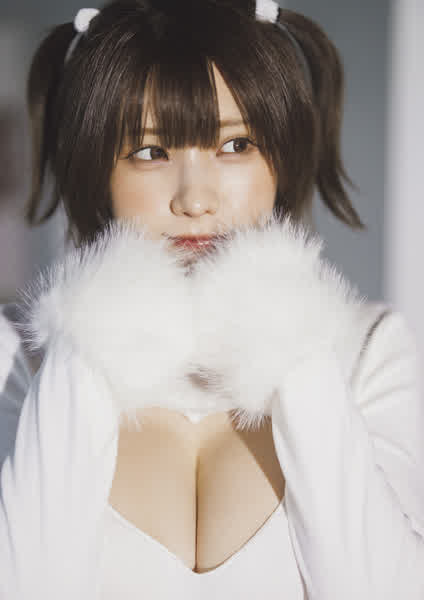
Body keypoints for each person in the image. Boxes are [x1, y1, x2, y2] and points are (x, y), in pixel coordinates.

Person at [0, 0, 423, 598]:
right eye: (150, 152)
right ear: (98, 171)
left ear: (282, 158)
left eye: (235, 145)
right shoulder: (17, 355)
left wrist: (290, 337)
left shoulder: (369, 347)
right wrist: (88, 335)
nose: (195, 199)